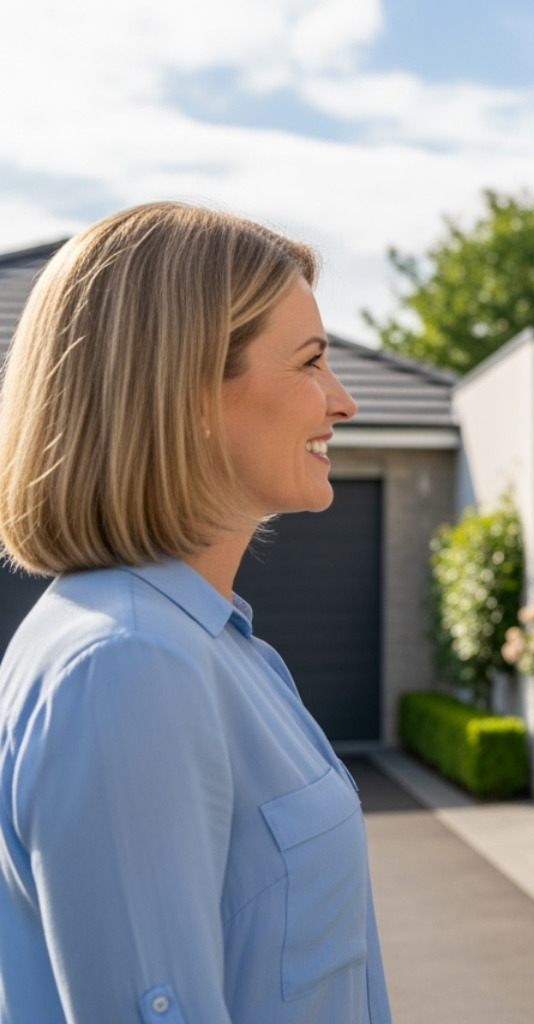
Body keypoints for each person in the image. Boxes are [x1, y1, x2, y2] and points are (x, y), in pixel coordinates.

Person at [0, 203, 392, 1023]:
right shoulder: (126, 666)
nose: (343, 401)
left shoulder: (217, 647)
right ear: (186, 393)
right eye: (313, 363)